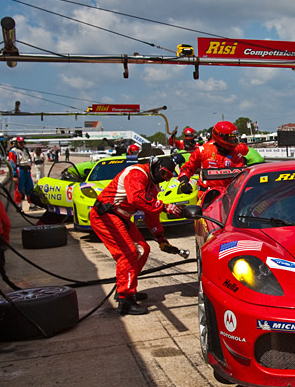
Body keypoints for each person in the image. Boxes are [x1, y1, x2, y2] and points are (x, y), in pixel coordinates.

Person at [90, 156, 184, 315]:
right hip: (105, 216)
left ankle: (126, 287)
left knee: (143, 249)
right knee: (128, 253)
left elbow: (151, 214)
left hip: (122, 217)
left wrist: (160, 237)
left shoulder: (153, 186)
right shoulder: (137, 173)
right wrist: (164, 206)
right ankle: (125, 299)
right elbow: (138, 198)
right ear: (154, 165)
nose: (163, 179)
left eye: (167, 177)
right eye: (162, 174)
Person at [177, 121, 250, 198]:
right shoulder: (203, 151)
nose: (234, 140)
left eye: (234, 137)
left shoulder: (236, 153)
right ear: (220, 137)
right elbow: (188, 168)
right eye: (231, 137)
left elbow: (241, 177)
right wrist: (183, 181)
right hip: (206, 195)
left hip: (229, 195)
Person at [10, 137, 34, 211]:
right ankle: (19, 205)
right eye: (20, 143)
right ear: (16, 143)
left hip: (27, 171)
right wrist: (14, 175)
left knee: (30, 187)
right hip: (20, 170)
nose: (21, 144)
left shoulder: (25, 150)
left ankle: (31, 204)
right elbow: (12, 163)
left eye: (23, 142)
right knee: (19, 188)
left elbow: (29, 159)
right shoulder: (13, 151)